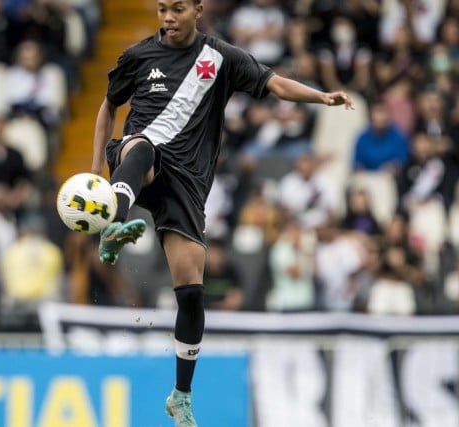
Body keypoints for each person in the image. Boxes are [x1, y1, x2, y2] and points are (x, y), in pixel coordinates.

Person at [90, 1, 354, 425]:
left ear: (197, 9)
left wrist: (321, 97)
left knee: (191, 291)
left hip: (187, 187)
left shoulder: (222, 58)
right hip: (137, 160)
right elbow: (108, 106)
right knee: (140, 145)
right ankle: (113, 225)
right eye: (161, 9)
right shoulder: (138, 56)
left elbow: (276, 84)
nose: (168, 18)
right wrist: (92, 174)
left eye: (177, 9)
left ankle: (181, 394)